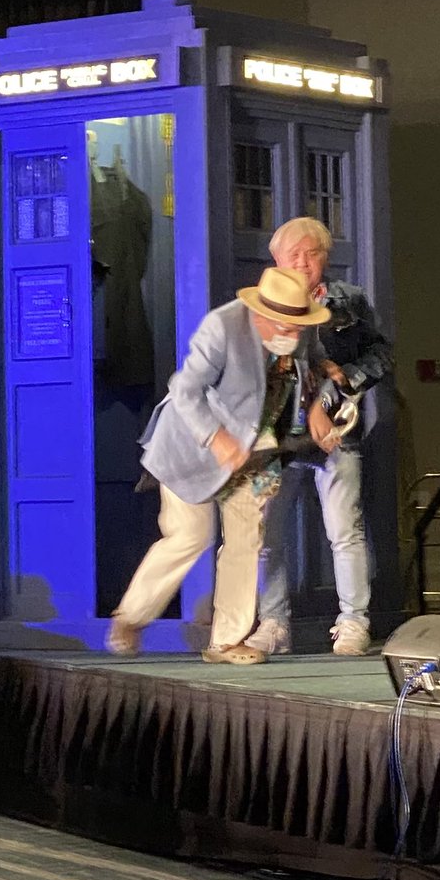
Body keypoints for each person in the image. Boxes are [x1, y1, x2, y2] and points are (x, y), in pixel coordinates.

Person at [106, 266, 337, 664]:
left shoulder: (300, 327)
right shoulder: (222, 327)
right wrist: (217, 438)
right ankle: (130, 617)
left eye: (299, 327)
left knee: (246, 541)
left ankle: (227, 641)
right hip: (193, 446)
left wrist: (319, 406)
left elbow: (317, 366)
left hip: (256, 450)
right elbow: (185, 389)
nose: (293, 334)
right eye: (285, 326)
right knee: (190, 536)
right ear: (262, 314)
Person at [248, 217, 394, 657]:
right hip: (279, 435)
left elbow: (380, 352)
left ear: (325, 258)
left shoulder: (348, 300)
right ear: (276, 261)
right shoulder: (262, 304)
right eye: (293, 255)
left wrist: (348, 379)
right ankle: (273, 623)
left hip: (335, 432)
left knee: (344, 529)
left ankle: (354, 621)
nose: (303, 263)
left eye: (312, 254)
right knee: (266, 534)